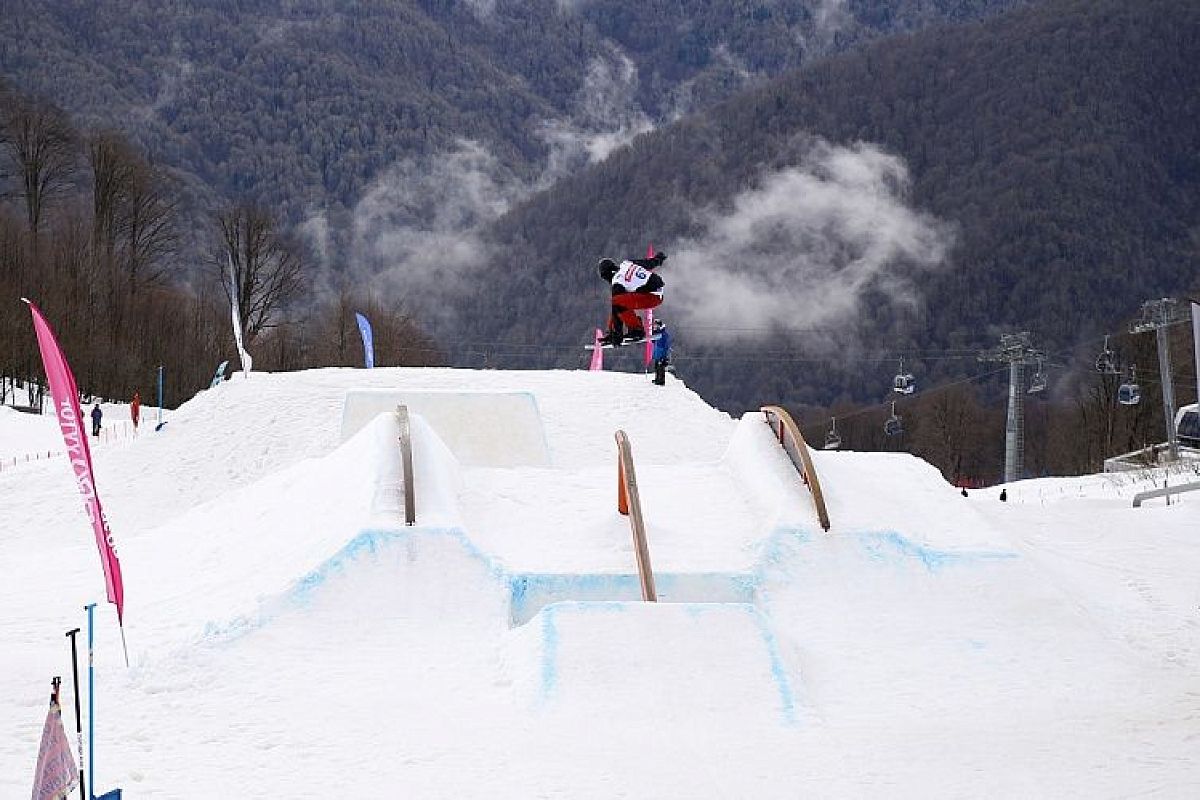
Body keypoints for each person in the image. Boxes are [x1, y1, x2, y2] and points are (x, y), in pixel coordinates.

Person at [597, 251, 667, 346]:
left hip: (652, 297)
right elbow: (647, 264)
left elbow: (616, 309)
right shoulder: (626, 264)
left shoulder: (617, 282)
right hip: (657, 290)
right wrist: (657, 259)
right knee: (620, 303)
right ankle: (626, 330)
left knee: (617, 302)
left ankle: (636, 330)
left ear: (607, 275)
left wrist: (616, 335)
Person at [651, 319, 672, 386]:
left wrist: (664, 356)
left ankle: (661, 381)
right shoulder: (657, 333)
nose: (654, 326)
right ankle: (657, 379)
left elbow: (666, 345)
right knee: (657, 366)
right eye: (654, 325)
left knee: (661, 367)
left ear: (659, 325)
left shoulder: (664, 334)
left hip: (662, 354)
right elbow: (653, 342)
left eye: (656, 325)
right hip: (657, 352)